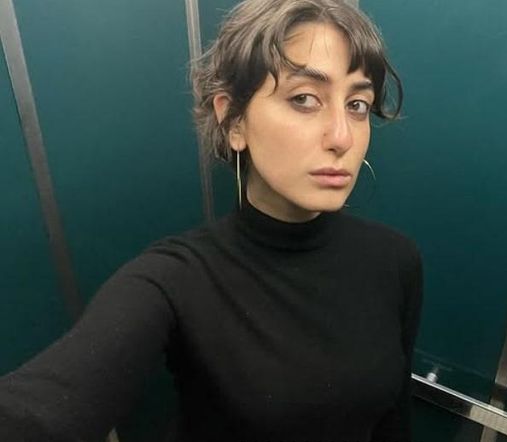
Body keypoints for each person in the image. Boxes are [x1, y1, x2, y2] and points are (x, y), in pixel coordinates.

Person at [0, 0, 423, 440]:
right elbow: (41, 408)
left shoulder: (395, 261)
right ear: (233, 119)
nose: (342, 136)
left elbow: (394, 424)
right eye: (304, 98)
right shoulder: (174, 279)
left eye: (357, 104)